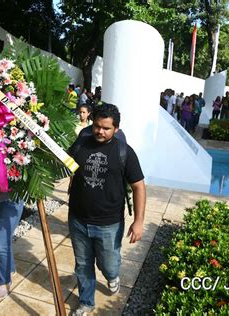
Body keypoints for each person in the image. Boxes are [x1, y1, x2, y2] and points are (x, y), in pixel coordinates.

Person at [67, 103, 146, 315]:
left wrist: (138, 221)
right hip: (78, 219)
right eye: (97, 126)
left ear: (116, 129)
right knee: (83, 264)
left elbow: (138, 187)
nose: (100, 132)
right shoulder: (81, 144)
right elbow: (66, 164)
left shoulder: (125, 152)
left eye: (106, 128)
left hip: (109, 224)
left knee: (108, 265)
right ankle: (86, 302)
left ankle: (112, 276)